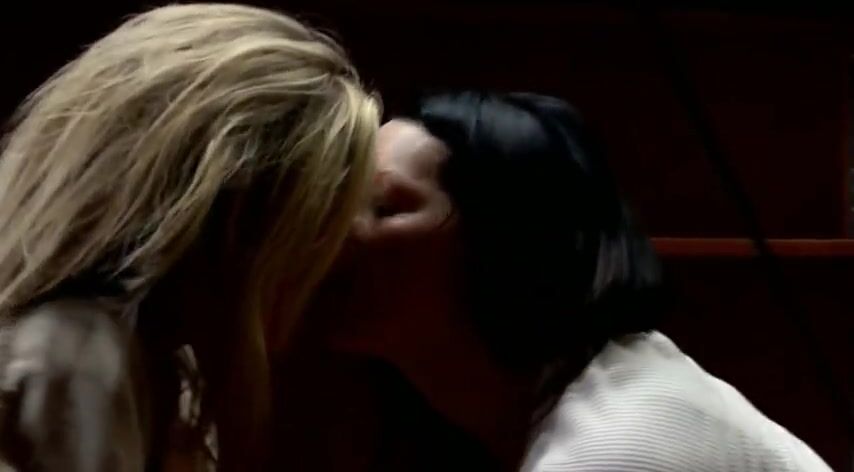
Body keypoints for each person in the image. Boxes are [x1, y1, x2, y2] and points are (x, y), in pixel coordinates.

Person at [271, 91, 832, 471]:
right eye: (336, 203)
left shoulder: (614, 442)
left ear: (506, 244)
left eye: (387, 207)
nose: (329, 234)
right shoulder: (553, 399)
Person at [0, 4, 378, 471]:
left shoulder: (165, 369)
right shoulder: (78, 358)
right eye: (313, 221)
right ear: (241, 215)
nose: (328, 253)